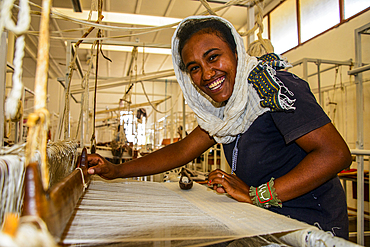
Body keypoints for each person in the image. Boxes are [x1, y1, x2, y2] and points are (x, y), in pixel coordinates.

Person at [87, 16, 352, 239]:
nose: (207, 73)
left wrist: (257, 195)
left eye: (213, 57)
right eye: (195, 68)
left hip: (311, 224)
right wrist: (116, 170)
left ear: (236, 52)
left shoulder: (272, 88)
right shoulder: (224, 110)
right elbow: (181, 151)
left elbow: (335, 154)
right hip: (268, 218)